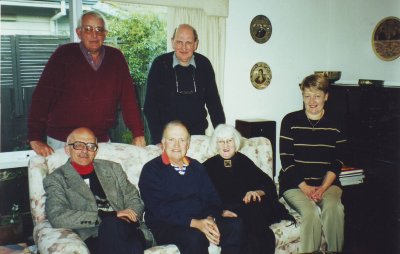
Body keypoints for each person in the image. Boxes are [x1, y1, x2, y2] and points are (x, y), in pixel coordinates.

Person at [28, 11, 146, 157]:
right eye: (88, 29)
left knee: (105, 179)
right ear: (79, 32)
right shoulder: (63, 55)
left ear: (105, 34)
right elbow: (42, 97)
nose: (94, 35)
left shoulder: (116, 58)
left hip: (99, 140)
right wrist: (35, 137)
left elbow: (128, 99)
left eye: (99, 30)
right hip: (63, 141)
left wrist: (138, 133)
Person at [43, 127, 155, 254]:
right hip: (94, 235)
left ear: (95, 151)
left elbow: (134, 198)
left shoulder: (113, 168)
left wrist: (129, 217)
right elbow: (57, 216)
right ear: (67, 149)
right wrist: (107, 216)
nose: (85, 150)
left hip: (128, 227)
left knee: (115, 227)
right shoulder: (56, 179)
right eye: (78, 145)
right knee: (125, 239)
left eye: (91, 146)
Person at [138, 121, 244, 254]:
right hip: (167, 225)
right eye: (171, 140)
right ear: (163, 143)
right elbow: (160, 209)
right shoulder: (151, 170)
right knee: (195, 237)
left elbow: (212, 198)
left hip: (200, 218)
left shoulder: (197, 167)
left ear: (187, 144)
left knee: (235, 225)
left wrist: (210, 218)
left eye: (182, 140)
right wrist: (195, 223)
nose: (177, 145)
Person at [278, 73, 347, 254]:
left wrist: (323, 188)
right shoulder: (290, 121)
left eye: (317, 95)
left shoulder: (337, 123)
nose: (312, 101)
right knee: (311, 213)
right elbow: (286, 160)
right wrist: (306, 188)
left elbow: (337, 161)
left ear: (326, 96)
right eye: (307, 95)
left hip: (327, 183)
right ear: (302, 96)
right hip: (294, 184)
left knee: (334, 208)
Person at [203, 124, 295, 254]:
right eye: (221, 141)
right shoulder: (207, 166)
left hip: (251, 209)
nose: (225, 145)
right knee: (249, 229)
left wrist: (256, 191)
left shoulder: (243, 160)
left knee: (256, 224)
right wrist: (219, 212)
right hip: (226, 212)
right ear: (216, 144)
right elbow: (201, 196)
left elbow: (268, 184)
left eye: (229, 141)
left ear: (235, 142)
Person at [143, 24, 225, 145]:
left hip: (197, 138)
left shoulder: (204, 64)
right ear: (172, 42)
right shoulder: (160, 64)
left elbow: (214, 105)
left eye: (189, 43)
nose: (184, 47)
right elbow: (150, 107)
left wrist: (222, 135)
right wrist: (158, 139)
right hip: (168, 139)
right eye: (179, 42)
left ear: (195, 44)